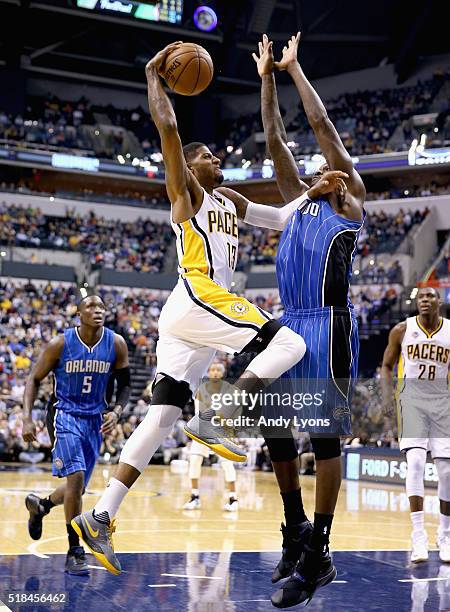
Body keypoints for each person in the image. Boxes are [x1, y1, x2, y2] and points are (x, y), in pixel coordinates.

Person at [71, 41, 344, 576]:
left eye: (215, 157)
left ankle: (101, 515)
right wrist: (155, 77)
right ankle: (221, 417)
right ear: (191, 167)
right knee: (290, 341)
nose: (215, 159)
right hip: (198, 293)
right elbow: (170, 133)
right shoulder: (188, 193)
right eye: (207, 156)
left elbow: (283, 218)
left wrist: (317, 188)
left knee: (165, 413)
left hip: (189, 317)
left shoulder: (231, 201)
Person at [251, 33, 366, 607]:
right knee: (267, 416)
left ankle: (319, 552)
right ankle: (294, 529)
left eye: (332, 164)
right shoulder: (298, 200)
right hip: (290, 324)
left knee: (323, 440)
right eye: (321, 166)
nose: (326, 167)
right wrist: (267, 78)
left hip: (329, 326)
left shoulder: (348, 200)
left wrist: (295, 72)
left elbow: (323, 126)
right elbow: (275, 138)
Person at [22, 295, 130, 575]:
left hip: (94, 420)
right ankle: (74, 550)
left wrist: (117, 411)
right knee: (77, 477)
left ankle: (41, 506)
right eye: (91, 307)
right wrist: (26, 418)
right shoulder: (60, 343)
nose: (98, 311)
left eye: (102, 307)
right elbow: (33, 379)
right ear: (79, 314)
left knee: (76, 490)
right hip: (63, 414)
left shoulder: (116, 343)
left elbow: (126, 385)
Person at [381, 287, 450, 563]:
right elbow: (386, 365)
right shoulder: (401, 330)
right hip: (412, 402)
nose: (424, 300)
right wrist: (387, 397)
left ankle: (445, 534)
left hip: (442, 405)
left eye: (430, 296)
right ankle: (418, 534)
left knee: (446, 472)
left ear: (439, 301)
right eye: (420, 297)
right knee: (417, 464)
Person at [183, 363, 239, 512]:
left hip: (221, 431)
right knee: (194, 462)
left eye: (218, 370)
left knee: (227, 464)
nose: (214, 372)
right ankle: (194, 497)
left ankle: (233, 499)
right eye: (212, 370)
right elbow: (198, 412)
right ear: (209, 372)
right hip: (202, 429)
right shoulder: (201, 389)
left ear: (222, 373)